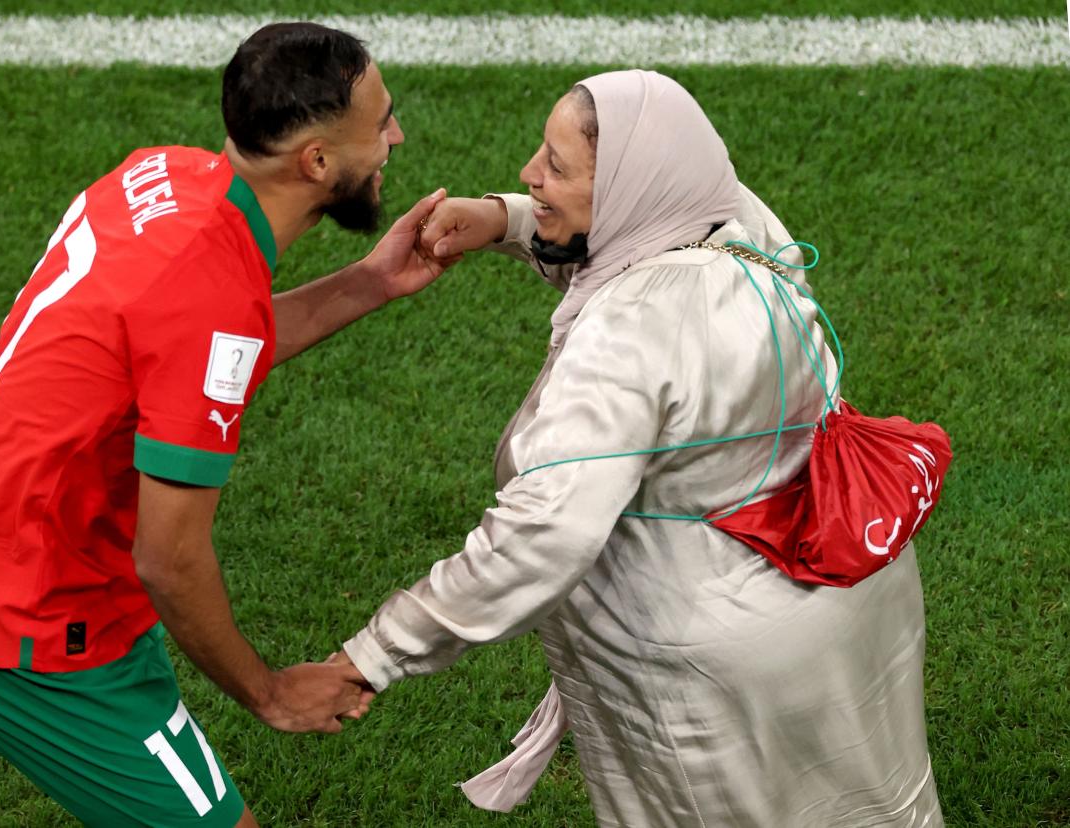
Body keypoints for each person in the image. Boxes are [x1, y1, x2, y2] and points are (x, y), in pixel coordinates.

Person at [339, 70, 943, 826]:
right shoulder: (735, 214)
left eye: (555, 166)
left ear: (627, 185)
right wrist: (508, 219)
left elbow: (541, 533)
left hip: (706, 668)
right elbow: (635, 239)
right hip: (843, 605)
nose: (530, 171)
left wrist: (377, 652)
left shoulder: (628, 335)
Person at [0, 23, 452, 828]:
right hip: (29, 620)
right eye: (382, 121)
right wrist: (270, 693)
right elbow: (170, 556)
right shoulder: (210, 298)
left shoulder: (167, 174)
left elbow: (192, 346)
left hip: (0, 549)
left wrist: (369, 283)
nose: (395, 135)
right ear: (318, 162)